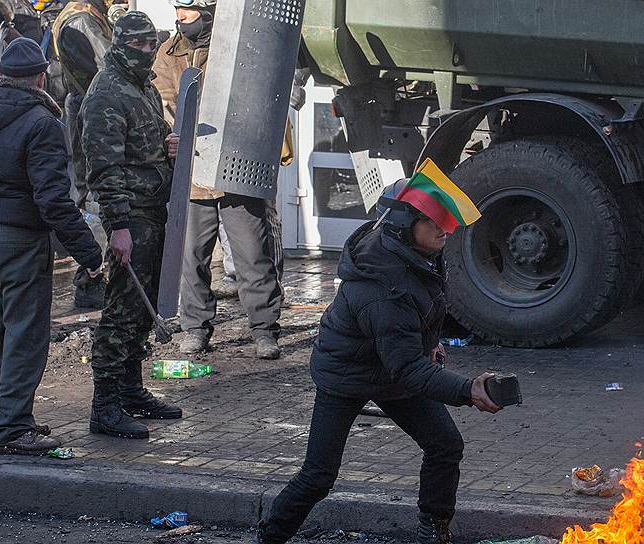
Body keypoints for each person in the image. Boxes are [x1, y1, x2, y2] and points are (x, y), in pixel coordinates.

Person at [256, 178, 501, 544]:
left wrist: (429, 344)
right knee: (319, 475)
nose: (443, 228)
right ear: (403, 225)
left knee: (445, 445)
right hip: (346, 373)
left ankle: (433, 529)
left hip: (393, 367)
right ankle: (270, 536)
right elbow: (408, 369)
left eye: (445, 220)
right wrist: (469, 389)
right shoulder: (381, 287)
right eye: (432, 221)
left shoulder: (415, 252)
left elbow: (423, 312)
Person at [0, 37, 102, 454]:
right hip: (21, 239)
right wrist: (88, 253)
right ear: (40, 76)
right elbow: (53, 198)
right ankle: (13, 426)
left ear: (0, 75)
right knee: (26, 333)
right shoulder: (42, 123)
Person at [152, 0, 284, 360]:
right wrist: (174, 134)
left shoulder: (240, 45)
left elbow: (257, 97)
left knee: (252, 256)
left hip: (236, 171)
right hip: (192, 175)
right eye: (178, 9)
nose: (180, 17)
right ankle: (195, 329)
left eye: (187, 10)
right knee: (190, 257)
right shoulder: (169, 52)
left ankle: (264, 330)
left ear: (208, 11)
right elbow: (164, 102)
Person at [81, 11, 183, 439]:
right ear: (120, 44)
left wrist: (167, 143)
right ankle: (104, 406)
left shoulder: (141, 88)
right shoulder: (106, 94)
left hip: (154, 210)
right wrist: (118, 227)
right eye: (137, 46)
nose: (146, 52)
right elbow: (105, 169)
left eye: (149, 45)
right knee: (121, 313)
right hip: (132, 217)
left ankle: (131, 390)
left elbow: (144, 143)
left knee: (143, 310)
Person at [51, 0, 111, 308]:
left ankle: (95, 276)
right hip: (94, 113)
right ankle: (94, 277)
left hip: (87, 109)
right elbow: (110, 69)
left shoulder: (80, 14)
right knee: (97, 196)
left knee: (93, 194)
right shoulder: (82, 18)